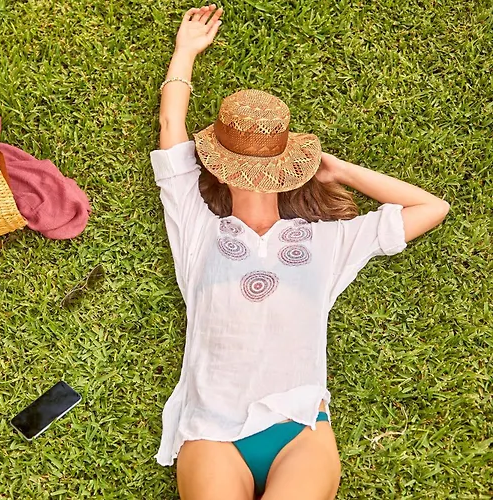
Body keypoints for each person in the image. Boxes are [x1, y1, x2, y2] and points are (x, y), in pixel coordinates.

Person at [151, 5, 450, 500]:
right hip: (211, 429)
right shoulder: (197, 227)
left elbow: (432, 209)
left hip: (299, 426)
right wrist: (184, 51)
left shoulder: (327, 241)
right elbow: (169, 127)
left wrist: (343, 171)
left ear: (218, 163)